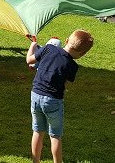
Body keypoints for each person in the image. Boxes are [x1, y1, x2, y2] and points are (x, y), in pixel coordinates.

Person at [25, 30, 94, 163]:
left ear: (67, 40)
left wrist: (33, 45)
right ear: (83, 53)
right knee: (55, 135)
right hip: (53, 100)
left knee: (38, 131)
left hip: (36, 95)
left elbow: (29, 60)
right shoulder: (72, 66)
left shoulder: (49, 48)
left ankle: (35, 161)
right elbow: (64, 83)